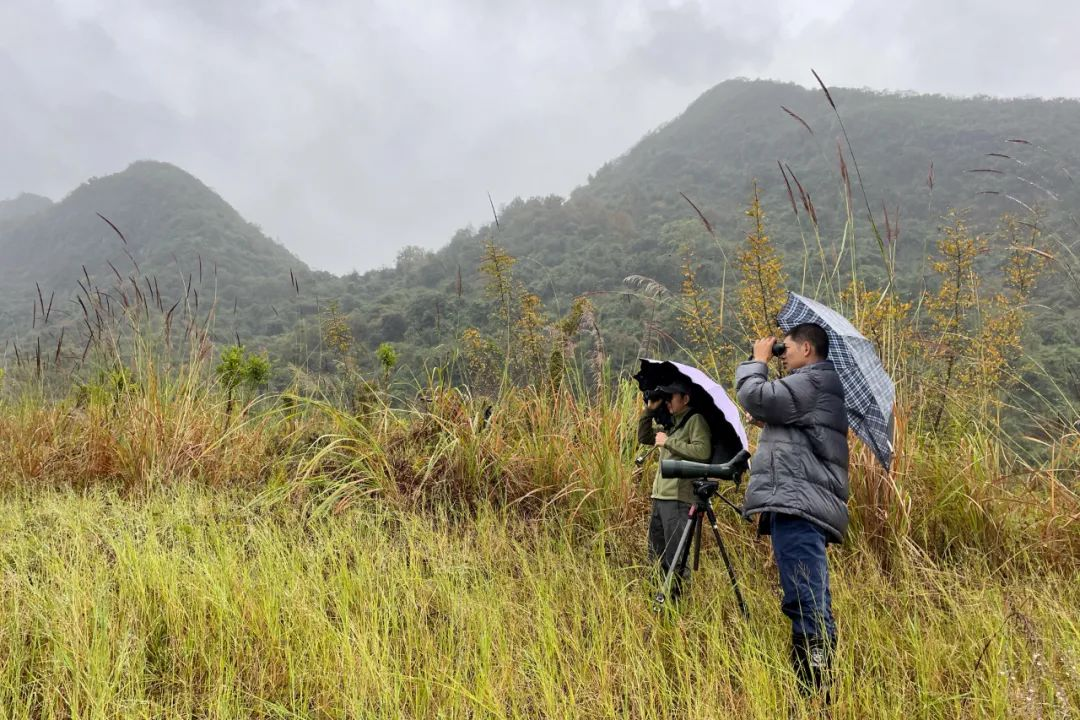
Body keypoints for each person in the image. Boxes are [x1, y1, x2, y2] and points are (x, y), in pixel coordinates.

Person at [735, 323, 849, 695]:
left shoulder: (812, 380)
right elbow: (798, 428)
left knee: (805, 596)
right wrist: (771, 420)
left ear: (806, 349)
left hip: (799, 504)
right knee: (809, 592)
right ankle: (815, 685)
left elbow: (754, 394)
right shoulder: (816, 384)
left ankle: (813, 689)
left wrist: (759, 360)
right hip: (798, 501)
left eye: (786, 348)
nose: (782, 355)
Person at [637, 381, 712, 600]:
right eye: (666, 397)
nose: (667, 401)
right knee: (656, 555)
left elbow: (703, 451)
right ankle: (658, 600)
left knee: (675, 557)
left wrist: (669, 442)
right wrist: (650, 411)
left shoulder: (695, 420)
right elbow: (644, 437)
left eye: (671, 397)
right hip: (660, 497)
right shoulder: (672, 423)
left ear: (685, 398)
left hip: (679, 499)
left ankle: (677, 603)